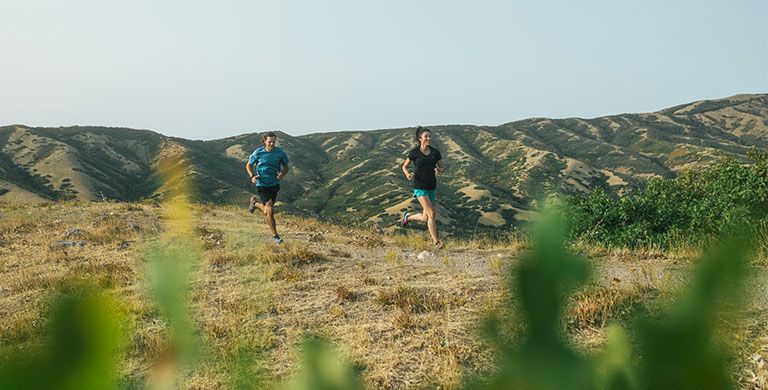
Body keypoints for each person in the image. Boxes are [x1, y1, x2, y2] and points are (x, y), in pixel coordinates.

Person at [400, 126, 445, 250]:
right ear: (420, 138)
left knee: (426, 218)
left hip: (431, 186)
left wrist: (440, 170)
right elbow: (404, 166)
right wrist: (408, 174)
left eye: (430, 136)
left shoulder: (435, 152)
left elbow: (442, 167)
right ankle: (436, 242)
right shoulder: (414, 152)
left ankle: (407, 217)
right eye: (426, 136)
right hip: (419, 186)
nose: (429, 138)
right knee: (432, 213)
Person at [246, 131, 290, 244]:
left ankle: (255, 204)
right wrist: (252, 176)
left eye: (274, 142)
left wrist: (282, 174)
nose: (272, 144)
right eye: (270, 142)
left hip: (274, 184)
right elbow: (249, 165)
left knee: (266, 211)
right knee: (270, 209)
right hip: (262, 184)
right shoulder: (258, 152)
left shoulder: (280, 153)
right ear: (264, 141)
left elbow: (286, 167)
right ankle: (276, 236)